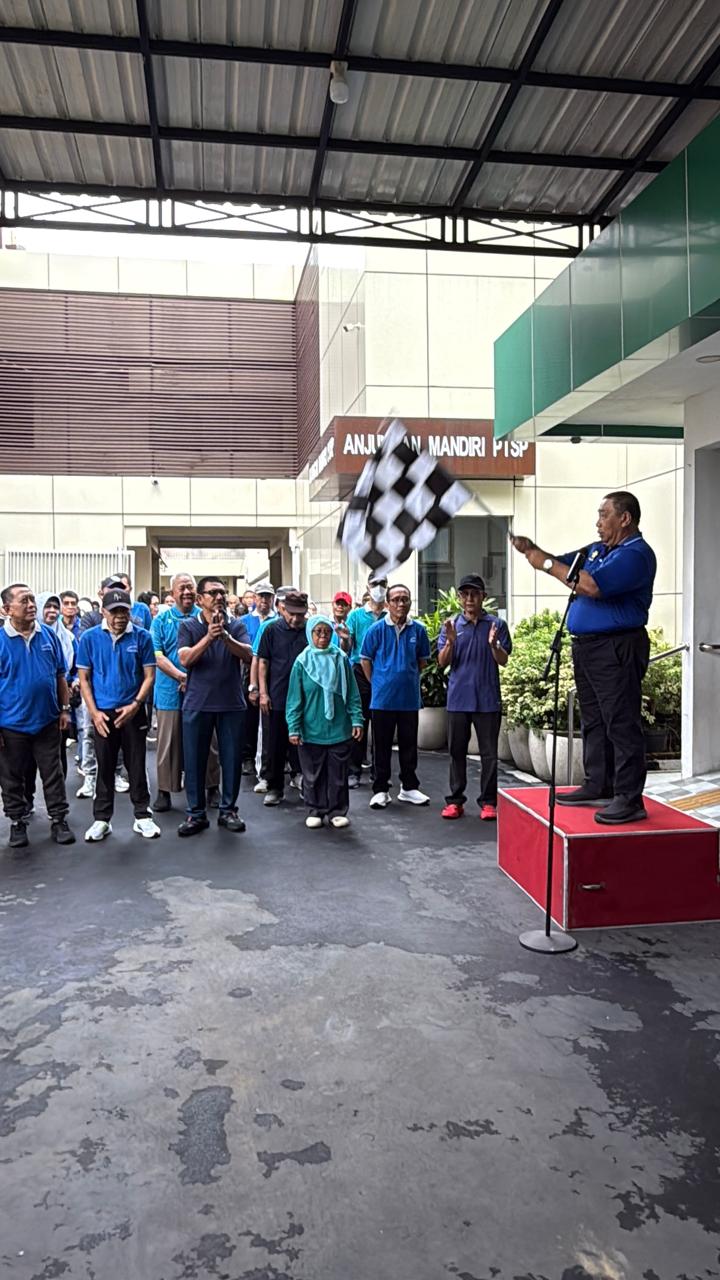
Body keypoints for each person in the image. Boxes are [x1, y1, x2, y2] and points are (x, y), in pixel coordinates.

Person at [510, 490, 657, 825]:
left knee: (620, 721)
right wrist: (532, 549)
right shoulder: (597, 550)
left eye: (604, 514)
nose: (598, 522)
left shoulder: (636, 555)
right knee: (594, 719)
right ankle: (598, 783)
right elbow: (562, 564)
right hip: (588, 647)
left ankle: (629, 798)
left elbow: (592, 586)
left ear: (625, 518)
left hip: (616, 647)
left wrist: (546, 564)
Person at [77, 589, 160, 842]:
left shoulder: (142, 636)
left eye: (124, 610)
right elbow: (84, 679)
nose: (120, 616)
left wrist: (135, 705)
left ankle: (143, 816)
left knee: (136, 765)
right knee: (105, 767)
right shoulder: (89, 638)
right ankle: (102, 820)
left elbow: (149, 676)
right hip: (103, 713)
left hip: (133, 711)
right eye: (114, 612)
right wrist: (94, 713)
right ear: (103, 612)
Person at [0, 583, 76, 849]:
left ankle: (59, 820)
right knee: (12, 777)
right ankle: (17, 821)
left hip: (47, 720)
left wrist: (64, 709)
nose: (32, 605)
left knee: (53, 773)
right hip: (11, 725)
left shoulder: (49, 636)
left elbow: (60, 676)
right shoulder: (1, 640)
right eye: (24, 601)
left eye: (33, 599)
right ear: (7, 609)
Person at [177, 577, 252, 837]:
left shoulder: (237, 625)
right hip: (198, 702)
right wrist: (209, 637)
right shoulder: (188, 626)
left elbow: (248, 654)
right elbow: (185, 659)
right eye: (213, 593)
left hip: (231, 703)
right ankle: (196, 813)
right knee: (194, 760)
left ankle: (228, 810)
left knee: (231, 760)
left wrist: (225, 637)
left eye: (222, 592)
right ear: (200, 599)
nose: (219, 597)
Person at [437, 574, 512, 822]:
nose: (470, 599)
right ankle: (455, 801)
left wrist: (494, 645)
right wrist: (450, 642)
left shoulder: (497, 625)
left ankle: (488, 802)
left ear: (483, 597)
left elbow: (503, 660)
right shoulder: (451, 625)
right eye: (465, 594)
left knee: (489, 754)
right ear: (460, 598)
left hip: (488, 699)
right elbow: (442, 662)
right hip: (458, 699)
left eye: (474, 594)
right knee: (456, 751)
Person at [150, 572, 220, 813]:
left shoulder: (204, 618)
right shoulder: (161, 620)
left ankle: (212, 786)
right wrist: (180, 676)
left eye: (190, 587)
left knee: (208, 740)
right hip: (169, 690)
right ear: (172, 593)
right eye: (182, 588)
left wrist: (193, 679)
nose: (187, 592)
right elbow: (157, 655)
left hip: (203, 689)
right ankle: (165, 790)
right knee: (168, 743)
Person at [286, 615, 364, 829]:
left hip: (339, 727)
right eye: (318, 632)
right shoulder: (302, 662)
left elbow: (353, 693)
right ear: (310, 633)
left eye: (327, 632)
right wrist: (294, 727)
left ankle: (337, 810)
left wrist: (357, 719)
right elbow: (294, 699)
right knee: (312, 774)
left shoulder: (341, 659)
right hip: (311, 728)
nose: (323, 636)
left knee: (338, 773)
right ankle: (315, 810)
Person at [361, 583, 431, 808]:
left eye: (405, 599)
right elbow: (365, 659)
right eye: (396, 599)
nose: (401, 603)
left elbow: (421, 661)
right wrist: (377, 682)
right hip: (382, 699)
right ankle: (380, 789)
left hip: (409, 698)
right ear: (387, 604)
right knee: (381, 746)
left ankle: (409, 788)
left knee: (409, 745)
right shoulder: (376, 630)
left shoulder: (418, 630)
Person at [257, 590, 309, 806]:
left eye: (300, 614)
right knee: (275, 744)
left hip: (305, 697)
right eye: (291, 613)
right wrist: (262, 692)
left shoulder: (310, 629)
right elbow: (263, 662)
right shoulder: (271, 629)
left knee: (304, 742)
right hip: (278, 694)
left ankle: (304, 781)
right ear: (283, 610)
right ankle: (275, 787)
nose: (295, 619)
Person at [342, 573, 388, 788]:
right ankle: (354, 771)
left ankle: (380, 772)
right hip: (360, 671)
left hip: (384, 672)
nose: (379, 588)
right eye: (375, 584)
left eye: (383, 584)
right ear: (368, 587)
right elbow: (347, 648)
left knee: (381, 724)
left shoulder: (390, 615)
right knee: (359, 721)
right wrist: (344, 639)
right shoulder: (356, 616)